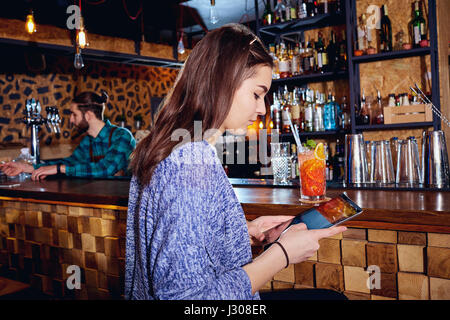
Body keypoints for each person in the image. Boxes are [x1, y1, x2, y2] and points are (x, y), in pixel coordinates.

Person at [125, 23, 347, 300]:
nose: (262, 108)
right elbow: (184, 299)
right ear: (223, 80)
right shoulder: (190, 162)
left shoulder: (173, 146)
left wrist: (243, 234)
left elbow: (186, 243)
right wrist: (282, 255)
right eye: (256, 93)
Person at [0, 91, 136, 180]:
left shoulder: (122, 136)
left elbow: (106, 168)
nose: (71, 120)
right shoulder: (88, 141)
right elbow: (70, 163)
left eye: (74, 114)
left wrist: (59, 169)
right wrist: (27, 168)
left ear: (88, 115)